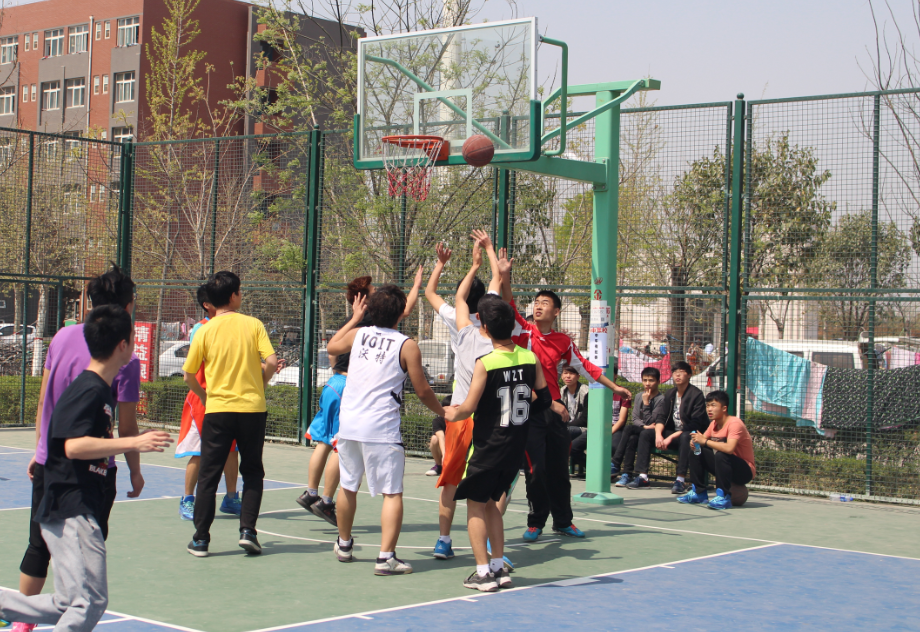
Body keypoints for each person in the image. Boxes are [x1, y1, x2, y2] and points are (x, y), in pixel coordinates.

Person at [0, 305, 172, 632]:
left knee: (69, 602)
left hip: (71, 508)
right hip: (71, 509)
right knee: (90, 601)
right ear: (122, 345)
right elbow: (73, 447)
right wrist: (133, 443)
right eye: (132, 337)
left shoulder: (96, 388)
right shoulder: (89, 390)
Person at [14, 265, 145, 632]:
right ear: (126, 307)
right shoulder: (124, 356)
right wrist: (135, 469)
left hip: (50, 459)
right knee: (85, 563)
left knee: (38, 545)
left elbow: (46, 400)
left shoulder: (62, 337)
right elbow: (127, 425)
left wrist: (40, 448)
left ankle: (23, 624)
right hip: (92, 472)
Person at [503, 264, 633, 541]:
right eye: (536, 302)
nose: (538, 306)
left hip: (556, 414)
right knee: (535, 471)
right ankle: (535, 522)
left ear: (557, 312)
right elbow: (508, 302)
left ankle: (563, 521)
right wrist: (503, 274)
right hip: (531, 411)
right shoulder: (523, 331)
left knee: (560, 471)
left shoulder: (563, 341)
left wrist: (615, 388)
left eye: (544, 303)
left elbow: (586, 366)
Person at [327, 285, 445, 576]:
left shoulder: (358, 334)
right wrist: (444, 412)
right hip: (381, 428)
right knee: (391, 493)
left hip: (349, 425)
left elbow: (332, 347)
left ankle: (344, 545)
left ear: (370, 310)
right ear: (402, 312)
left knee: (348, 486)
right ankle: (385, 557)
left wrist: (355, 318)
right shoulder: (407, 345)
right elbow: (422, 390)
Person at [296, 270, 422, 526]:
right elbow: (406, 309)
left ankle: (311, 491)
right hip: (348, 387)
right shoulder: (372, 319)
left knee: (324, 441)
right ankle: (327, 500)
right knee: (339, 446)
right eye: (374, 291)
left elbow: (332, 352)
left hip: (333, 383)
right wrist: (418, 282)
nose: (377, 293)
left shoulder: (351, 323)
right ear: (364, 298)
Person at [444, 295, 551, 592]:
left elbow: (468, 407)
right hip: (515, 447)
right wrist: (519, 411)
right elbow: (544, 399)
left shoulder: (486, 363)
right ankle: (498, 567)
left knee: (475, 506)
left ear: (485, 329)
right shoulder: (530, 358)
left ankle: (483, 573)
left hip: (489, 445)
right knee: (492, 504)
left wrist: (448, 412)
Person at [183, 271, 278, 557]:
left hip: (218, 411)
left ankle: (201, 539)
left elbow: (189, 375)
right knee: (253, 471)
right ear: (234, 295)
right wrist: (262, 384)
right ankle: (248, 532)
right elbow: (271, 360)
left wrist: (206, 397)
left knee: (208, 475)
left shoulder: (205, 330)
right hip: (252, 409)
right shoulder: (253, 324)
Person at [422, 231, 501, 561]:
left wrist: (445, 264)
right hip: (490, 417)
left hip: (460, 414)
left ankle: (443, 540)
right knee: (490, 487)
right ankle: (492, 549)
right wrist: (488, 251)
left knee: (451, 479)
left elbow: (430, 293)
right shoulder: (497, 324)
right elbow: (497, 279)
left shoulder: (461, 324)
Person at [174, 284, 240, 521]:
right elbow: (193, 369)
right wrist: (203, 395)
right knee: (199, 451)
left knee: (231, 450)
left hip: (227, 398)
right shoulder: (201, 329)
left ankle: (231, 498)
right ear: (207, 305)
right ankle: (188, 499)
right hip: (202, 399)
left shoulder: (234, 325)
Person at [678, 390, 756, 510]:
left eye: (713, 405)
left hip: (744, 471)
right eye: (707, 405)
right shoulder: (713, 424)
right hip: (724, 466)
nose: (709, 409)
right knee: (696, 451)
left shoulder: (735, 423)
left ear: (724, 408)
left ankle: (723, 497)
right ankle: (699, 492)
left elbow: (729, 449)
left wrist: (704, 442)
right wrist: (695, 443)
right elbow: (702, 440)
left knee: (721, 454)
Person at [568, 361, 631, 477]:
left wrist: (609, 432)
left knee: (613, 447)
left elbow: (622, 420)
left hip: (615, 428)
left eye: (608, 374)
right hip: (597, 429)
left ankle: (613, 470)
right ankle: (595, 470)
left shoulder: (622, 393)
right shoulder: (594, 393)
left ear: (615, 375)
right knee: (573, 447)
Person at [657, 361, 708, 494]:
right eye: (675, 372)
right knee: (646, 434)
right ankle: (642, 476)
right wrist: (658, 435)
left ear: (689, 375)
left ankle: (680, 480)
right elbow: (661, 417)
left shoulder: (696, 395)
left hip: (689, 436)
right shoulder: (670, 393)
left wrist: (670, 437)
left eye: (681, 372)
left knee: (686, 436)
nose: (677, 375)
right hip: (672, 433)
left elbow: (694, 425)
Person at [613, 367, 666, 489]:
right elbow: (635, 418)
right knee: (632, 438)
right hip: (642, 429)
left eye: (651, 380)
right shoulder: (638, 396)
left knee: (628, 429)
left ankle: (615, 463)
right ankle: (626, 474)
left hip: (653, 433)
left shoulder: (661, 400)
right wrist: (644, 426)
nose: (647, 383)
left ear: (658, 382)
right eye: (645, 380)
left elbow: (653, 421)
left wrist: (646, 403)